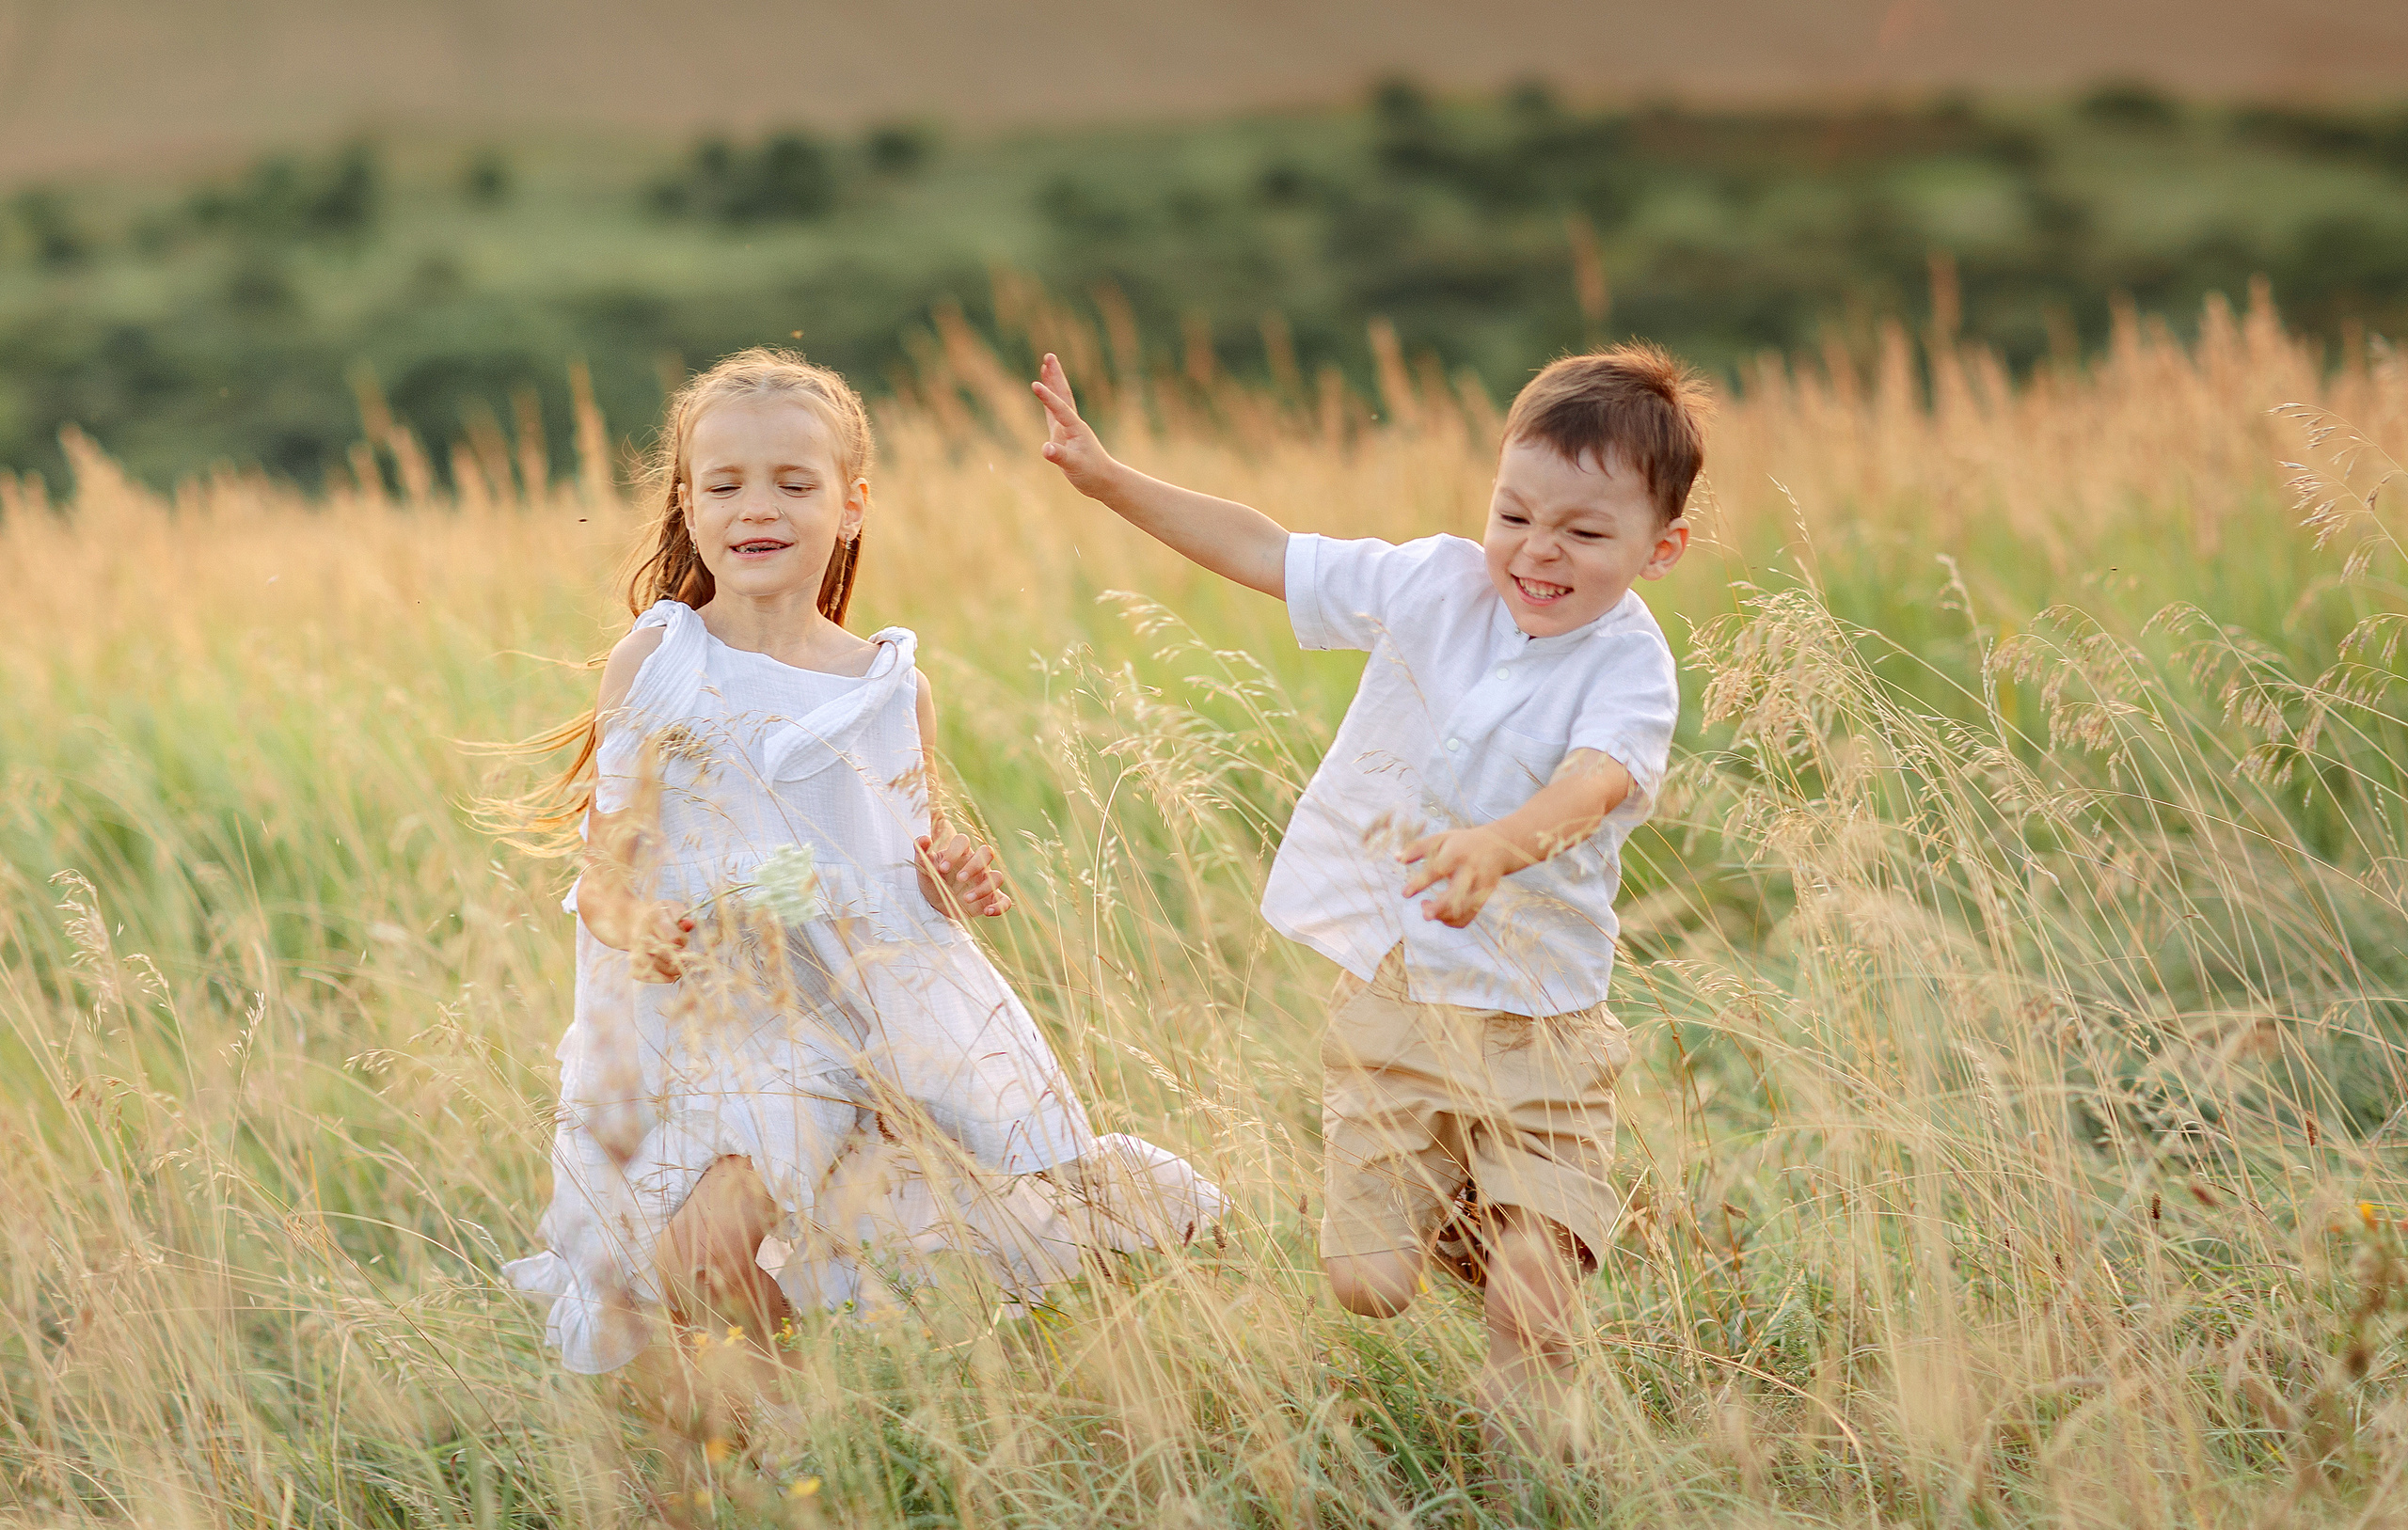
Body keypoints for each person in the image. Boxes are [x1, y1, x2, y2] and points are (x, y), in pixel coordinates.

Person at [1030, 344, 1703, 1450]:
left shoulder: (1628, 663)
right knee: (1368, 1284)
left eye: (1584, 533)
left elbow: (1603, 778)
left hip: (1541, 1015)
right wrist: (1108, 478)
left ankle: (1532, 1428)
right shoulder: (1435, 582)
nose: (1537, 553)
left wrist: (1501, 844)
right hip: (1394, 996)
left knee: (1532, 1304)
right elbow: (1263, 548)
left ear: (1657, 548)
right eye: (1514, 515)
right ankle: (1485, 1226)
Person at [504, 348, 1222, 1375]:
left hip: (835, 1026)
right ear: (690, 506)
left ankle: (841, 1411)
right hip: (695, 1025)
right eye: (727, 484)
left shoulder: (886, 686)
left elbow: (909, 864)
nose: (759, 506)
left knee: (706, 1259)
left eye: (794, 483)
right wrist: (642, 926)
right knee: (691, 1282)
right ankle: (802, 1441)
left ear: (849, 506)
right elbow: (606, 872)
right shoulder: (663, 661)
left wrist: (953, 881)